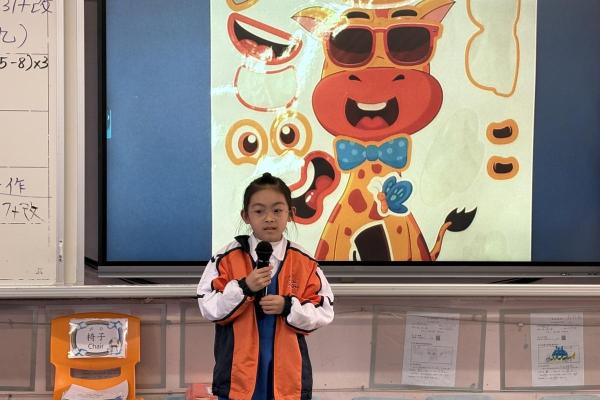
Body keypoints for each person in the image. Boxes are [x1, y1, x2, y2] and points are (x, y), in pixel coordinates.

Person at [197, 172, 335, 400]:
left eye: (277, 210)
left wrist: (288, 306)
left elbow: (324, 311)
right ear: (246, 216)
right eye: (259, 211)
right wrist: (243, 288)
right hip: (238, 376)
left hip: (287, 377)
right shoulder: (226, 258)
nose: (269, 218)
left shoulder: (304, 262)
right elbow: (208, 306)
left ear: (291, 214)